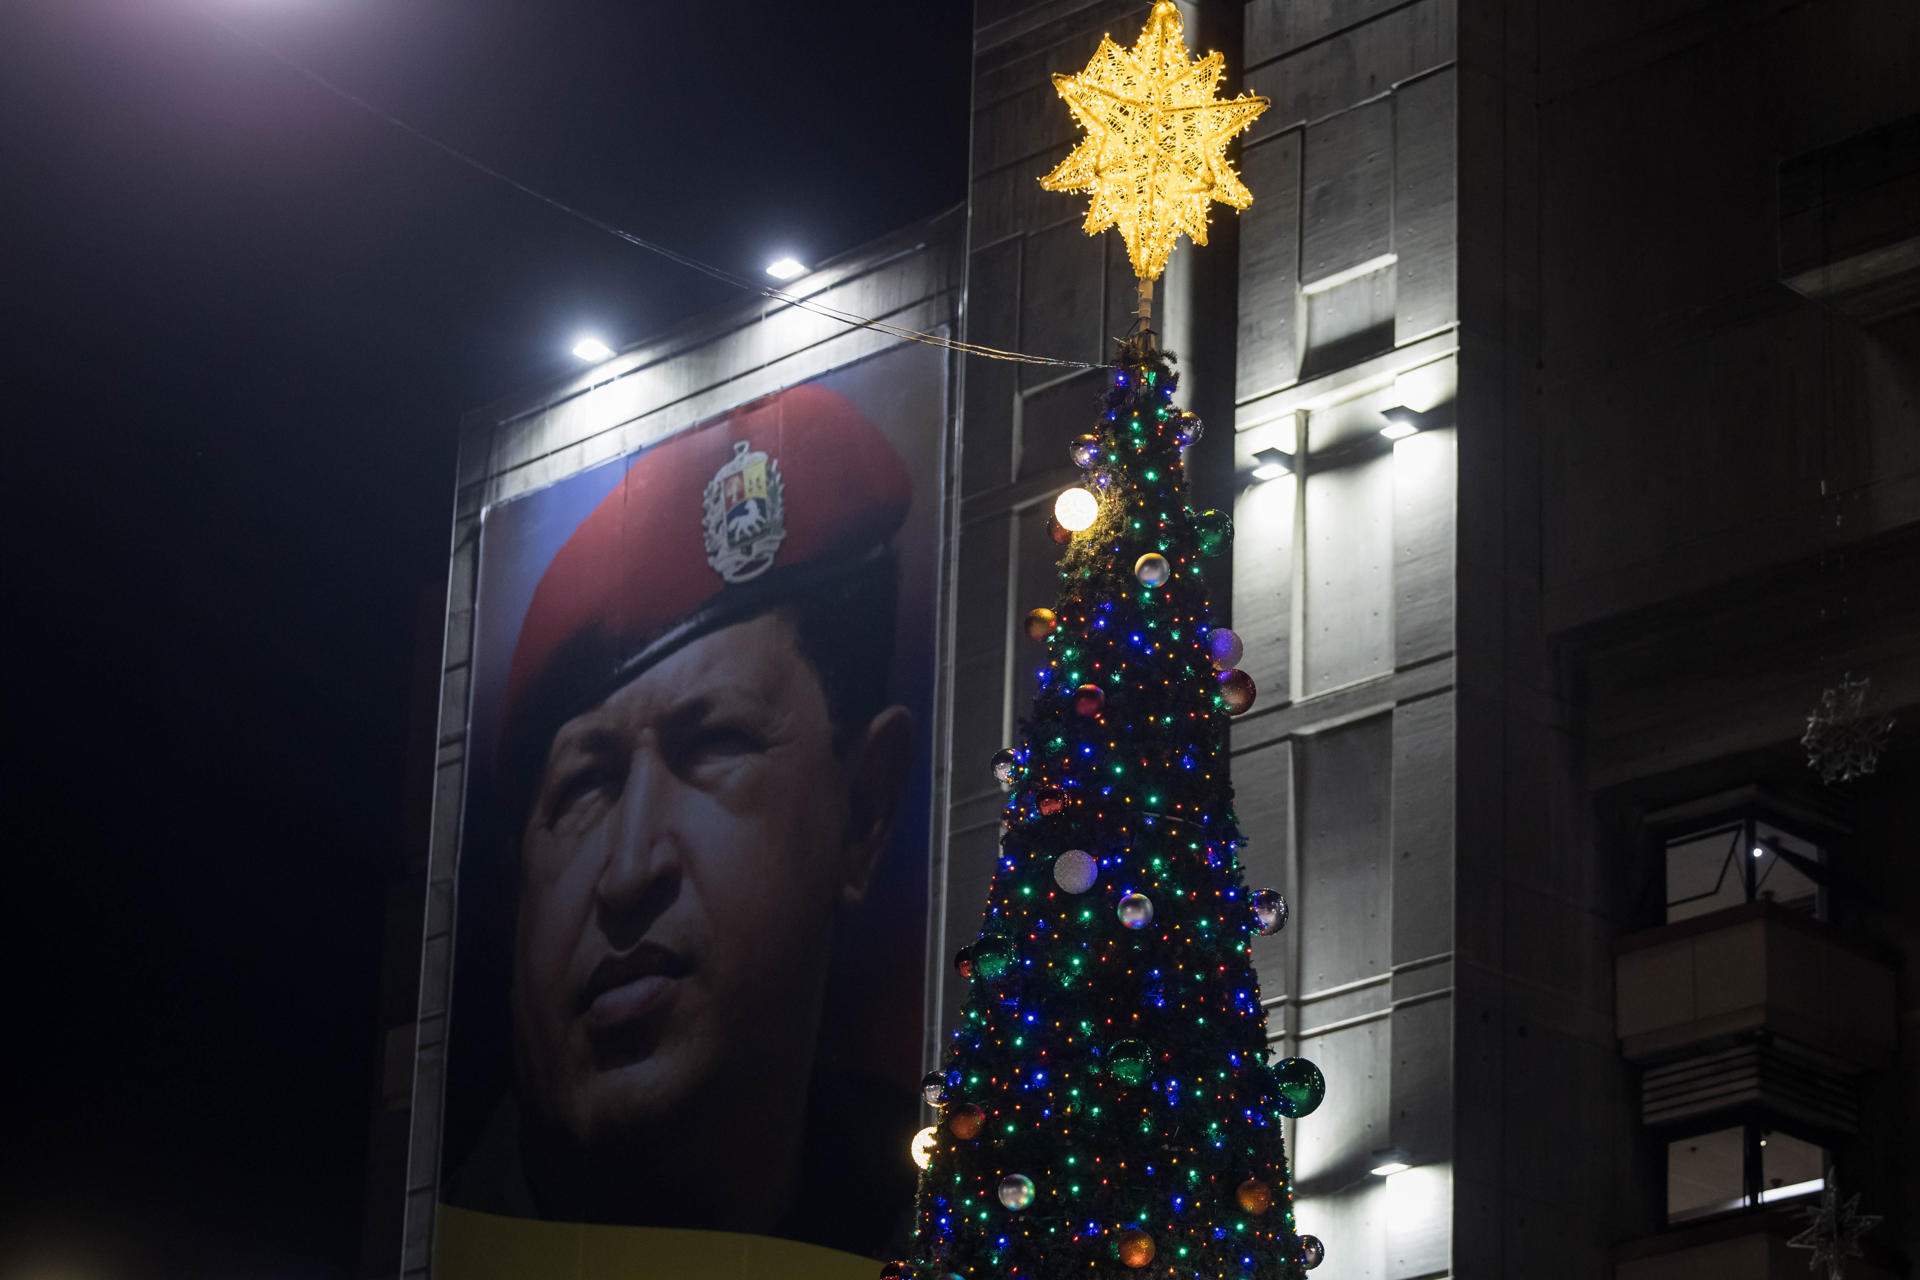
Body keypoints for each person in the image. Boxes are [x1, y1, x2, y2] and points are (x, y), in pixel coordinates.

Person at [443, 384, 921, 1256]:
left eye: (715, 747)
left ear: (865, 812)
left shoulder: (962, 1212)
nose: (628, 872)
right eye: (584, 785)